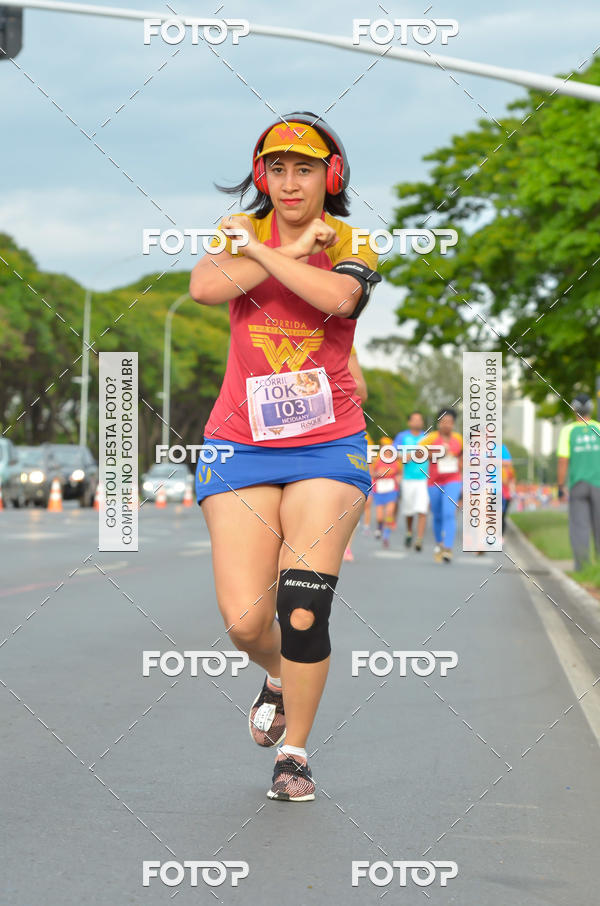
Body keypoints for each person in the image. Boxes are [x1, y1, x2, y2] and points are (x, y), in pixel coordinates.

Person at [189, 111, 380, 802]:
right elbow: (204, 288)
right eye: (277, 168)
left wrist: (271, 255)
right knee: (246, 620)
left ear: (330, 176)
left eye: (304, 168)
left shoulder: (353, 240)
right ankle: (276, 672)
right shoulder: (239, 234)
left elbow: (341, 297)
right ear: (261, 175)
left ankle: (293, 752)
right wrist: (282, 249)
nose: (290, 182)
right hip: (239, 444)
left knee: (303, 607)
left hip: (328, 446)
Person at [557, 393, 600, 571]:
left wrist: (560, 487)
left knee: (579, 526)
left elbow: (563, 461)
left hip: (578, 485)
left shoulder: (568, 431)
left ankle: (583, 567)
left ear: (574, 409)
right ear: (591, 409)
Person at [420, 408, 463, 563]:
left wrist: (459, 460)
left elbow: (465, 457)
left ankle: (448, 548)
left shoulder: (459, 439)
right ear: (438, 424)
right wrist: (437, 453)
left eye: (450, 422)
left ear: (453, 424)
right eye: (444, 422)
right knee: (437, 515)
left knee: (448, 512)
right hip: (434, 482)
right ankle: (439, 544)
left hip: (453, 479)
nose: (447, 425)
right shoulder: (430, 438)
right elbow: (418, 454)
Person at [343, 347, 368, 562]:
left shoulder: (342, 336)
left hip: (331, 443)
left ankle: (346, 545)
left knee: (347, 502)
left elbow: (361, 391)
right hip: (266, 444)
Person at [394, 411, 429, 551]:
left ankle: (419, 539)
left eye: (419, 420)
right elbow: (393, 453)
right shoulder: (402, 436)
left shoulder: (427, 437)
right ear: (409, 422)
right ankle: (409, 531)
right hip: (408, 479)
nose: (417, 422)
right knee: (409, 511)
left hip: (424, 479)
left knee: (422, 509)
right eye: (414, 420)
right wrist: (406, 456)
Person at [372, 437, 401, 548]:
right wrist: (378, 474)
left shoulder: (396, 461)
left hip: (391, 489)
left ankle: (386, 536)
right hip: (379, 490)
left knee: (389, 513)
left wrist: (398, 477)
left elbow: (400, 473)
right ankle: (379, 527)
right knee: (380, 516)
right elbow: (371, 473)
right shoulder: (376, 460)